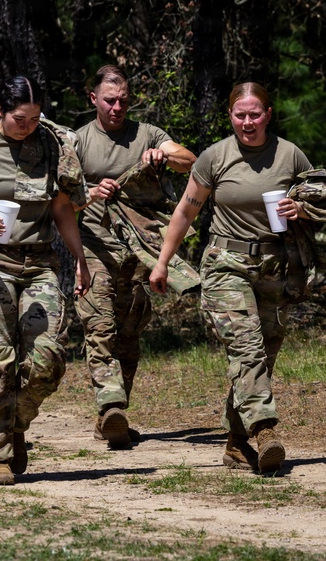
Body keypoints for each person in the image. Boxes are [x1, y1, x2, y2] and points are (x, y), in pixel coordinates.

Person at [149, 82, 312, 473]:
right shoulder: (215, 157)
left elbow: (319, 201)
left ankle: (236, 444)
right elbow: (186, 213)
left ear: (268, 115)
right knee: (246, 345)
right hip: (225, 263)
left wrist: (300, 209)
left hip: (275, 263)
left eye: (255, 114)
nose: (247, 122)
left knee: (263, 355)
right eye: (240, 115)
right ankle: (265, 430)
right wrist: (162, 262)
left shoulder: (290, 155)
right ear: (230, 116)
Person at [0, 75, 90, 485]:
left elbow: (62, 209)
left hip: (40, 263)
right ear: (0, 111)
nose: (27, 125)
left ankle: (13, 425)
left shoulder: (50, 145)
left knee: (48, 359)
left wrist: (80, 258)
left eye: (34, 117)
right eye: (19, 118)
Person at [73, 65, 196, 449]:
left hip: (141, 249)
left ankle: (110, 417)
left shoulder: (147, 134)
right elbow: (59, 198)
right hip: (96, 247)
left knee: (129, 334)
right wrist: (90, 192)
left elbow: (190, 161)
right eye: (109, 100)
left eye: (124, 101)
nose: (117, 108)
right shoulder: (77, 142)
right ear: (93, 99)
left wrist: (164, 155)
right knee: (100, 327)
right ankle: (110, 405)